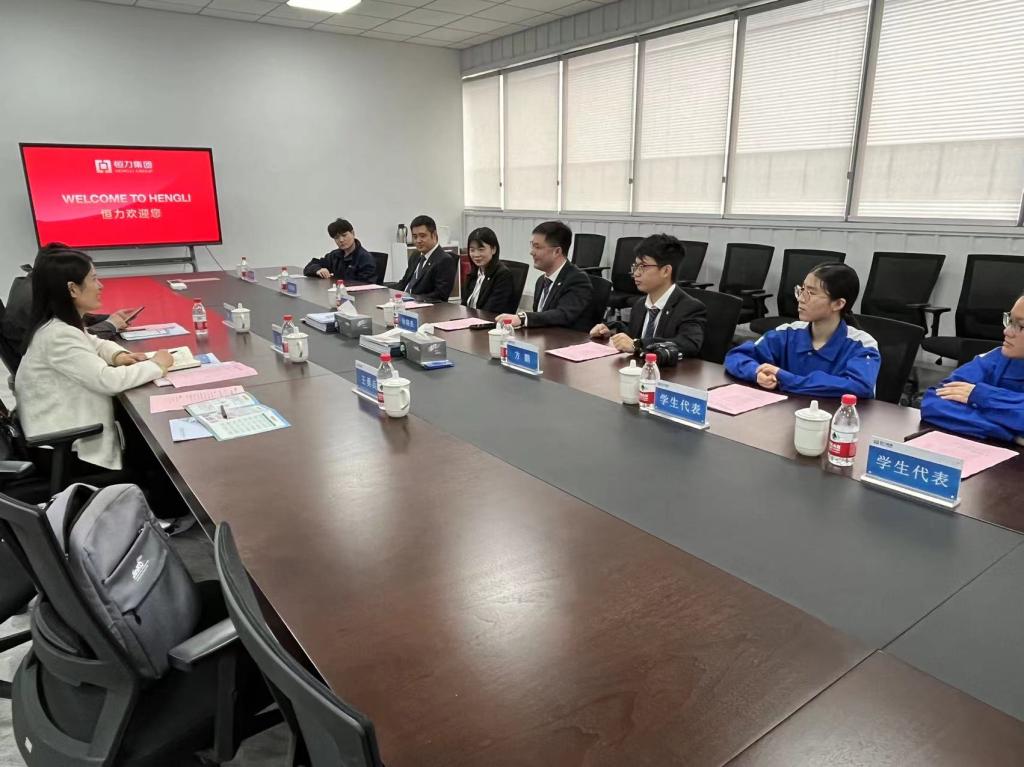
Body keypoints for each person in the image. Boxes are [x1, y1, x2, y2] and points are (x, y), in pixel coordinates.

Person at [14, 250, 173, 471]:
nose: (101, 286)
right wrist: (157, 365)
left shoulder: (59, 325)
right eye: (94, 279)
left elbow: (93, 342)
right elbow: (108, 381)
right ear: (72, 289)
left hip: (65, 435)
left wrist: (118, 356)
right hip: (68, 452)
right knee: (156, 462)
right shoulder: (58, 335)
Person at [724, 262, 880, 398]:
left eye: (811, 293)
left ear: (838, 304)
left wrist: (787, 378)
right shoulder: (787, 332)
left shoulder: (862, 344)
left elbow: (858, 386)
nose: (800, 298)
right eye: (802, 290)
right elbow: (737, 356)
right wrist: (756, 372)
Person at [920, 293, 1024, 443]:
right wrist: (1011, 435)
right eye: (1010, 320)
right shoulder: (997, 358)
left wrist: (981, 396)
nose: (1007, 331)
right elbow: (934, 401)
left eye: (1021, 326)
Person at [2, 243, 139, 356]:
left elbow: (68, 317)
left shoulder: (32, 285)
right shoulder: (33, 299)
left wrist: (107, 318)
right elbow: (72, 341)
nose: (100, 285)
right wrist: (110, 325)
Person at [590, 234, 706, 359]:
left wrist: (638, 345)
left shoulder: (690, 307)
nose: (636, 273)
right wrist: (610, 331)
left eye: (643, 267)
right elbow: (634, 337)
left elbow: (688, 344)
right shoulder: (640, 304)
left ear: (666, 271)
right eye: (635, 266)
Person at [495, 221, 593, 332]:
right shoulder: (541, 281)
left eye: (537, 247)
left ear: (557, 251)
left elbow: (562, 314)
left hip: (566, 340)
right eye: (532, 246)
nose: (532, 252)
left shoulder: (577, 280)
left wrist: (523, 318)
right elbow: (541, 319)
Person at [392, 215, 456, 302]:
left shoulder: (444, 260)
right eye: (415, 237)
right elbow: (404, 282)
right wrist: (388, 292)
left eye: (422, 236)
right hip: (403, 303)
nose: (418, 240)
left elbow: (440, 295)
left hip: (424, 306)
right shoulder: (415, 255)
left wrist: (412, 300)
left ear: (434, 235)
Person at [462, 227, 518, 315]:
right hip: (470, 320)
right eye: (472, 250)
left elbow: (491, 312)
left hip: (489, 321)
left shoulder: (502, 275)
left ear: (493, 249)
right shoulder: (474, 274)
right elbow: (464, 305)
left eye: (481, 249)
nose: (476, 255)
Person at [302, 218, 376, 283]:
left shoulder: (365, 258)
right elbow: (309, 267)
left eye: (344, 235)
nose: (341, 240)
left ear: (353, 233)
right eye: (336, 237)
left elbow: (365, 286)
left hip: (354, 294)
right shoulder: (335, 255)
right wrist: (318, 270)